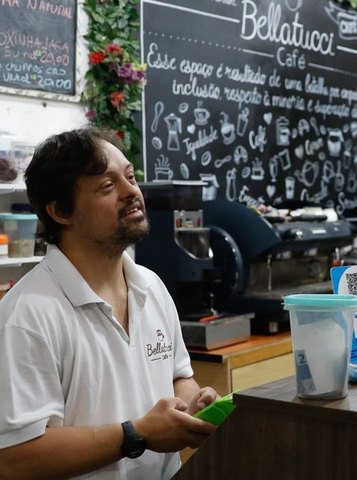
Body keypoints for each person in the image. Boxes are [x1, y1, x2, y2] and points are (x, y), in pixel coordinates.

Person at [0, 127, 218, 479]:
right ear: (60, 211)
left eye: (130, 177)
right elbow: (14, 459)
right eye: (107, 185)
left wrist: (193, 405)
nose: (132, 191)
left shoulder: (151, 286)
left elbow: (179, 377)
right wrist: (138, 434)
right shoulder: (27, 315)